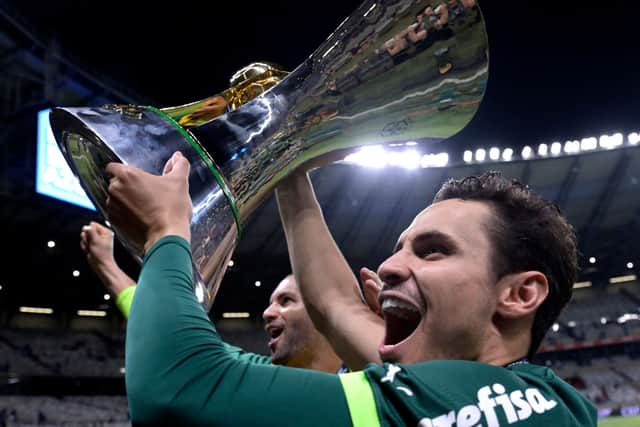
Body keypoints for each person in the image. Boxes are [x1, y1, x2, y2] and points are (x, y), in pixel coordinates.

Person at [106, 151, 596, 426]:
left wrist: (166, 232)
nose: (387, 266)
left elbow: (176, 389)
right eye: (399, 248)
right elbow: (335, 303)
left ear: (520, 295)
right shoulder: (453, 397)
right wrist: (286, 160)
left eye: (432, 251)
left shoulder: (517, 407)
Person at [79, 222, 348, 373]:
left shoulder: (379, 390)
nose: (267, 313)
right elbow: (170, 332)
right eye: (271, 303)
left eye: (286, 301)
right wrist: (107, 265)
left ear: (325, 310)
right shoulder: (257, 376)